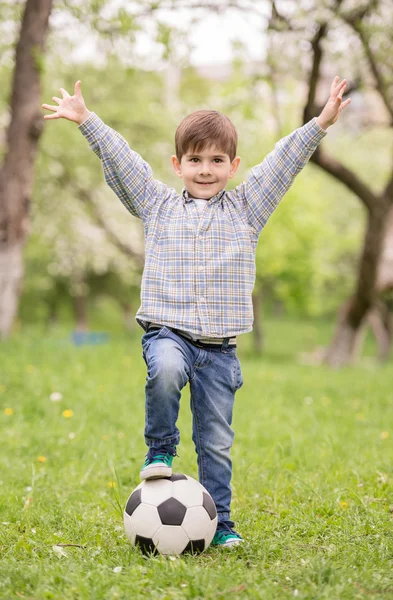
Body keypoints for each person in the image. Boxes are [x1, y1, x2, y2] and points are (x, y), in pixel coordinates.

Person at [43, 76, 350, 547]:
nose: (205, 169)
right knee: (164, 368)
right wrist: (88, 121)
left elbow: (282, 164)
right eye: (195, 160)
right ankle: (160, 451)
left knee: (216, 445)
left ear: (232, 166)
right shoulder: (159, 205)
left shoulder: (247, 208)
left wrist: (321, 123)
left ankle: (221, 522)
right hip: (168, 334)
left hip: (221, 354)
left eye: (216, 161)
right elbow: (125, 164)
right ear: (178, 164)